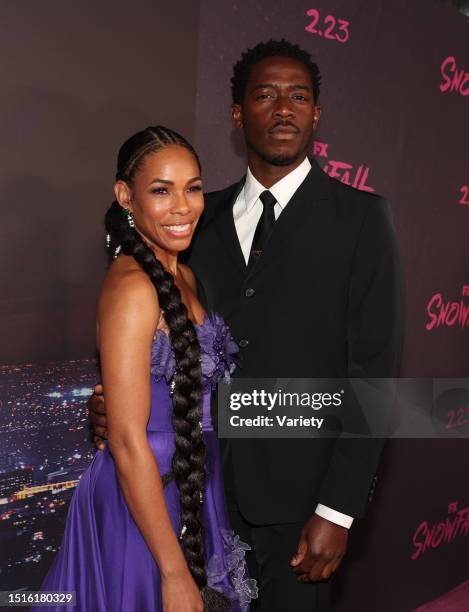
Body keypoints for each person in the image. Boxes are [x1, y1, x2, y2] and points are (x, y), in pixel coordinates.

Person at [89, 39, 404, 612]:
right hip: (200, 496)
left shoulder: (361, 219)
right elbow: (165, 336)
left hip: (303, 510)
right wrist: (121, 402)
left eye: (298, 96)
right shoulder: (193, 222)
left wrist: (338, 508)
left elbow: (375, 373)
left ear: (316, 113)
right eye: (265, 95)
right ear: (238, 114)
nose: (283, 108)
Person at [33, 126, 257, 612]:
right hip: (143, 495)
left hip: (192, 481)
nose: (183, 206)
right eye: (161, 190)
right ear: (125, 197)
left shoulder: (186, 274)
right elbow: (127, 438)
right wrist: (174, 571)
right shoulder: (133, 288)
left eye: (193, 187)